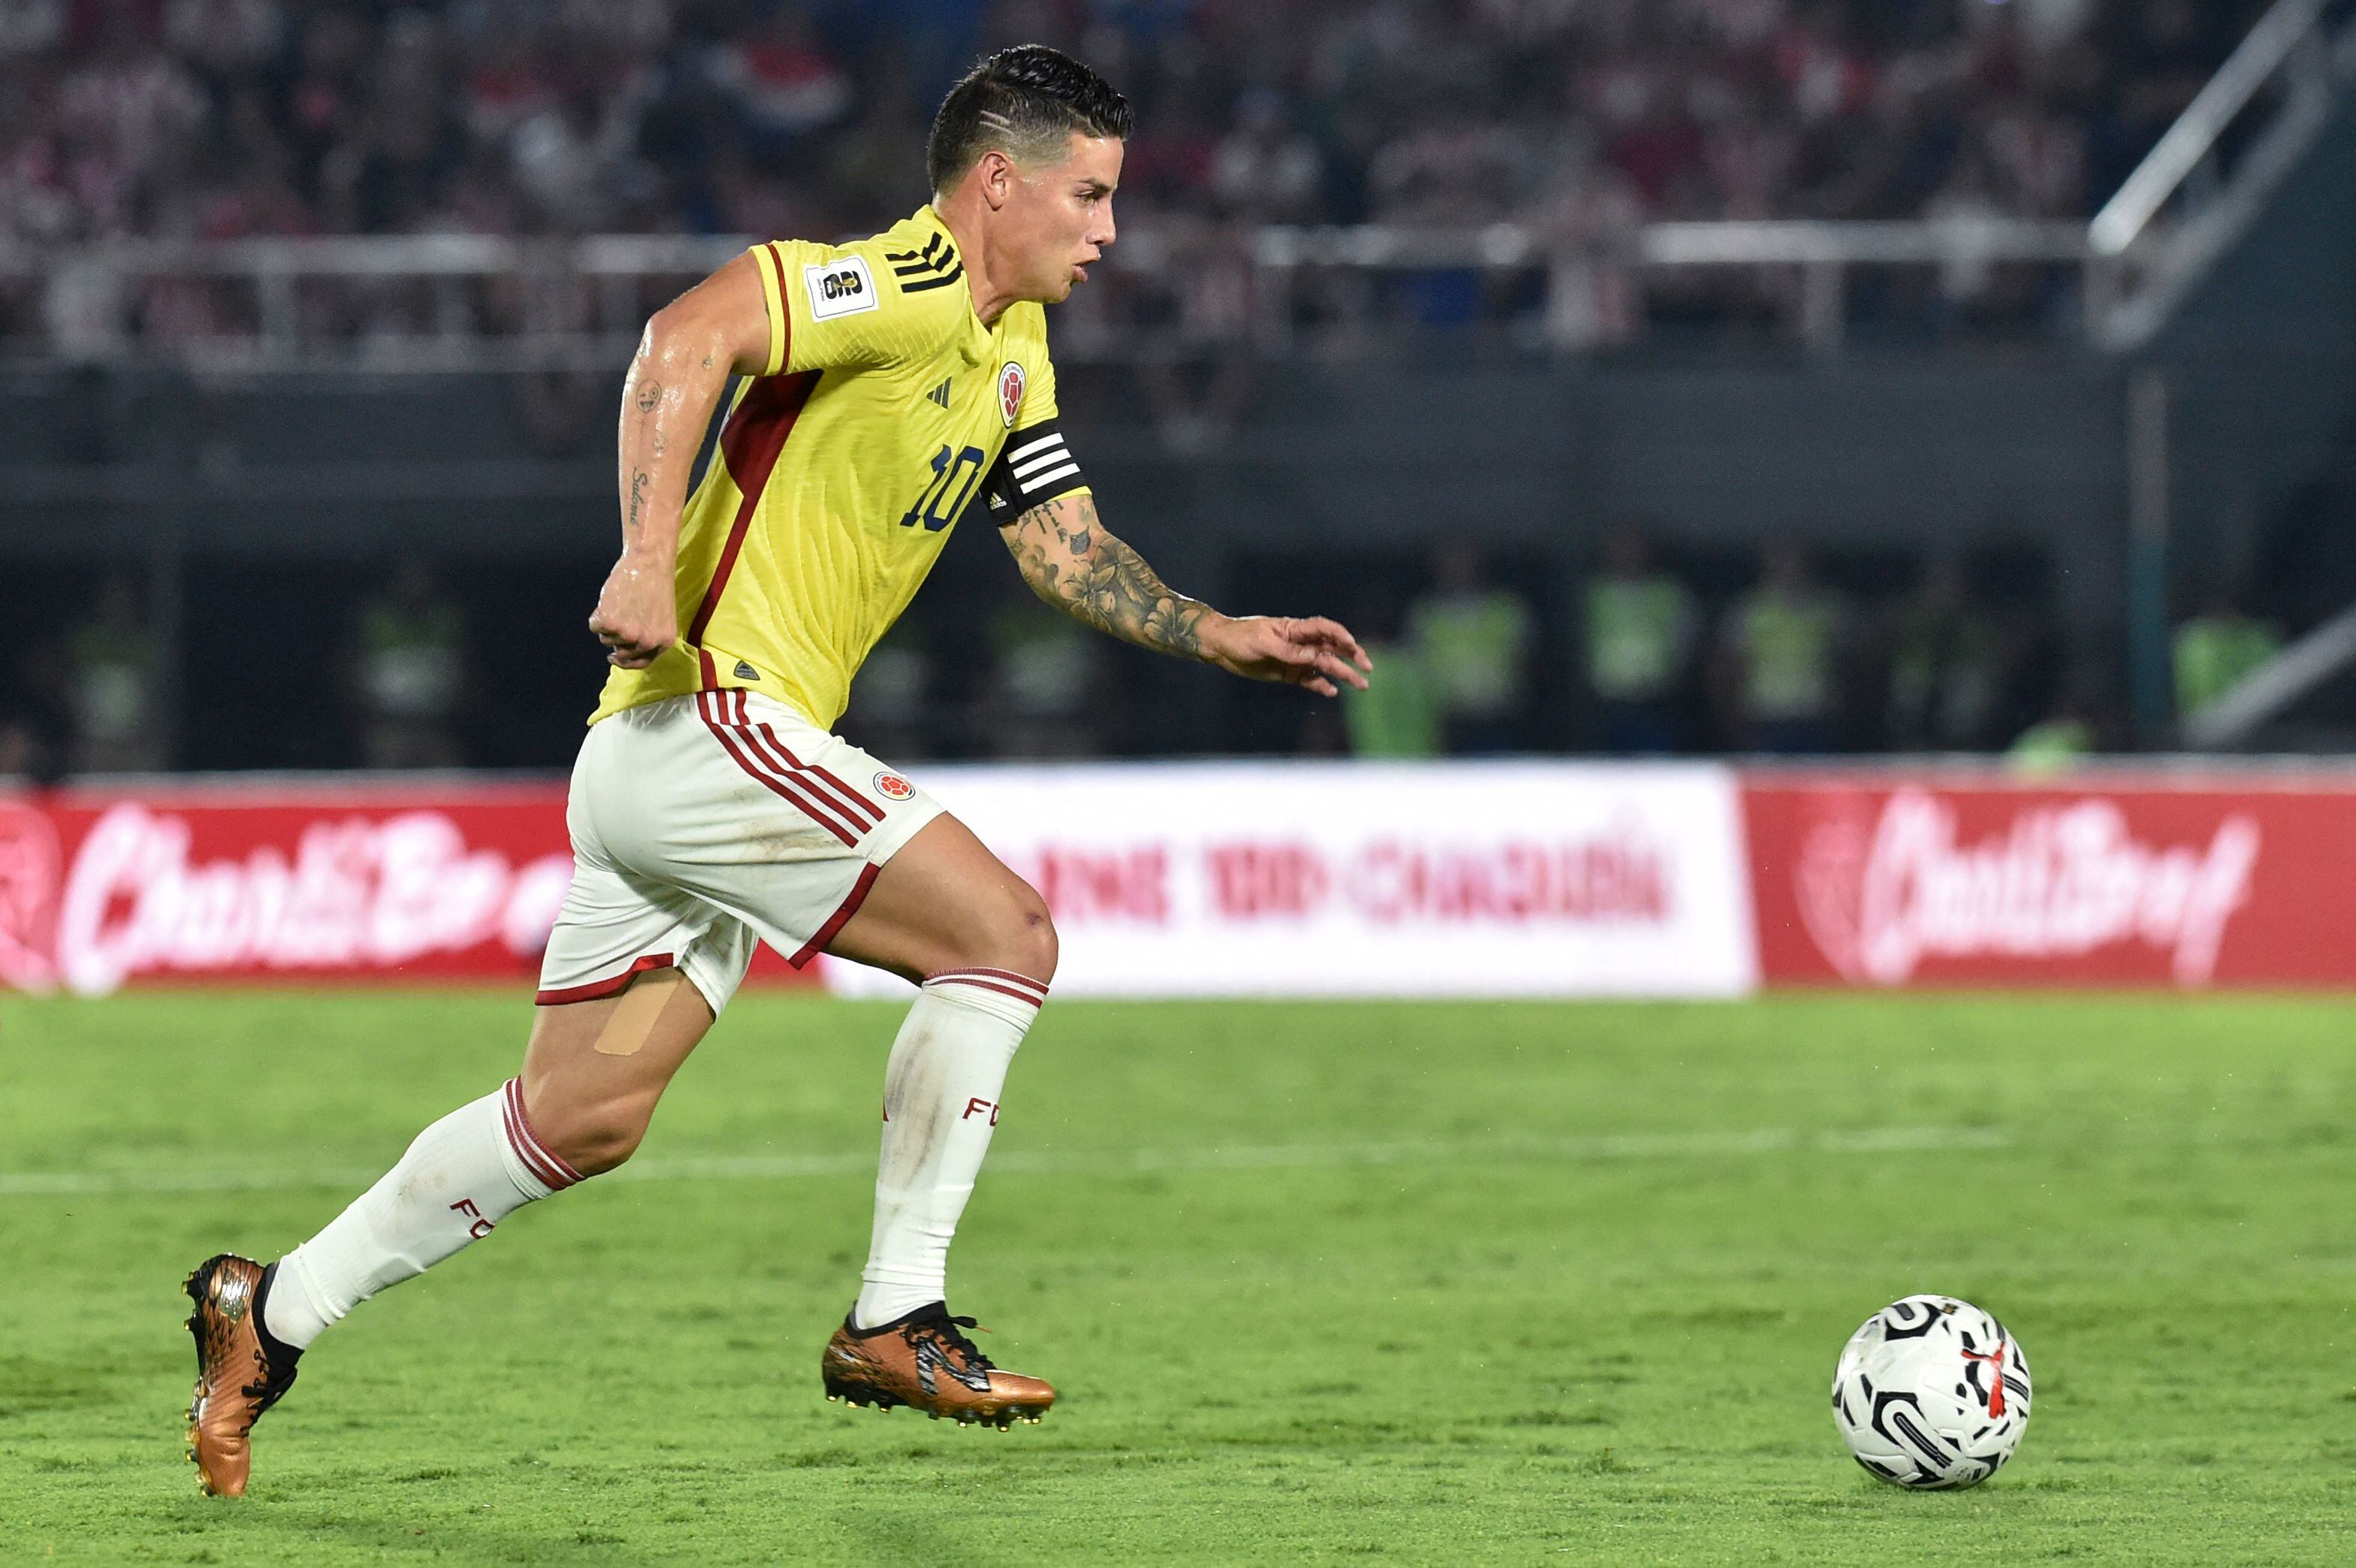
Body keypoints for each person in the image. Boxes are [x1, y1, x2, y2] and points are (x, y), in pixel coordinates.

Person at [181, 45, 1370, 1498]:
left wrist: (1215, 631)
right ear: (1001, 183)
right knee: (1005, 937)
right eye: (1091, 195)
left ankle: (271, 1312)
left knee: (581, 1118)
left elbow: (1064, 545)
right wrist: (642, 559)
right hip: (713, 720)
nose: (1110, 230)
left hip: (668, 773)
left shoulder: (1012, 347)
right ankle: (896, 1314)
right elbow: (682, 338)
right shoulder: (896, 284)